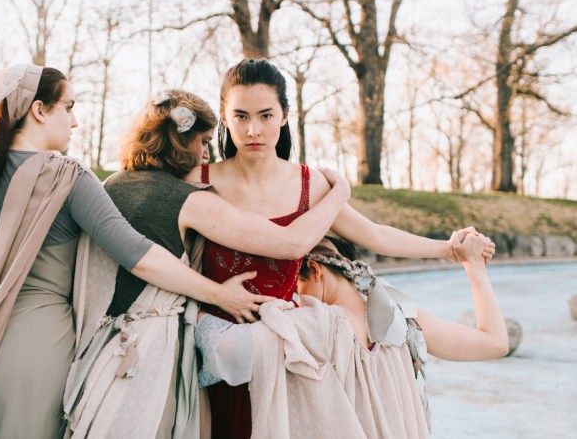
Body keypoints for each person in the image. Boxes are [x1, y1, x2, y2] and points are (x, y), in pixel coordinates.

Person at [0, 66, 268, 438]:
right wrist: (218, 293)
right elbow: (140, 255)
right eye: (69, 107)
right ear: (39, 110)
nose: (75, 121)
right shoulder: (70, 179)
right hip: (34, 352)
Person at [185, 58, 496, 437]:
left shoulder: (309, 184)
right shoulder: (195, 181)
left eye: (266, 116)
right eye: (241, 116)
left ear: (285, 115)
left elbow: (375, 234)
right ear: (223, 116)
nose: (254, 130)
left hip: (286, 353)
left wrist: (448, 250)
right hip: (208, 345)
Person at [62, 90, 352, 438]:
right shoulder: (187, 199)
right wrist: (340, 193)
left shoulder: (112, 185)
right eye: (201, 142)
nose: (204, 153)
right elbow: (291, 244)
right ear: (177, 142)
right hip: (152, 348)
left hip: (99, 344)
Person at [195, 231, 508, 438]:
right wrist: (473, 265)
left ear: (315, 270)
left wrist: (203, 301)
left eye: (297, 288)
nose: (296, 299)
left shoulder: (311, 325)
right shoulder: (404, 317)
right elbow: (494, 343)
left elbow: (221, 350)